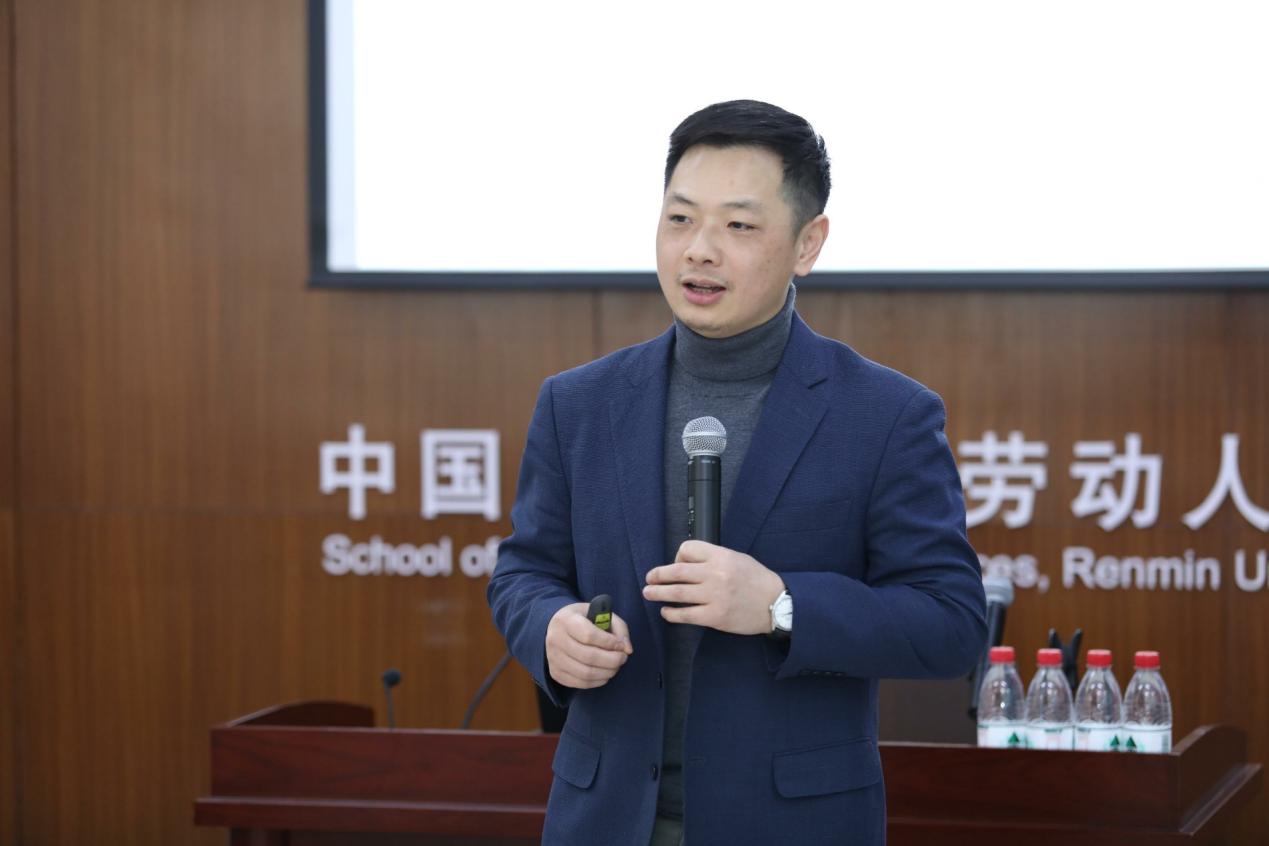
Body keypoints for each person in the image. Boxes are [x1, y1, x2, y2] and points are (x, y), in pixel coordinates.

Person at [488, 100, 986, 846]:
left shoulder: (884, 416)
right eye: (679, 219)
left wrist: (782, 607)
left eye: (739, 226)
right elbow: (523, 573)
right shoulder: (580, 403)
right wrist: (550, 630)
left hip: (793, 823)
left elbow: (950, 622)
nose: (699, 250)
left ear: (808, 244)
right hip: (607, 818)